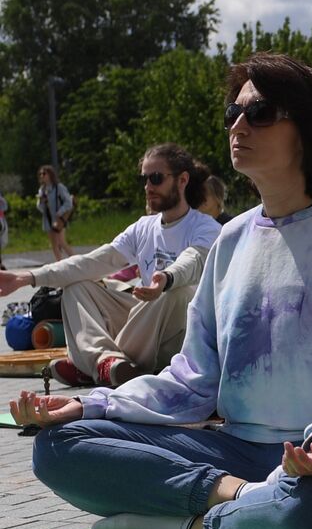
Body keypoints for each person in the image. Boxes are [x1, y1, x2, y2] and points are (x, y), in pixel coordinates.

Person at [15, 53, 312, 529]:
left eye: (260, 113)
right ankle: (244, 503)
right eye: (234, 112)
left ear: (309, 130)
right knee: (59, 447)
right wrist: (91, 404)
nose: (239, 125)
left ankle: (185, 526)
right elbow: (191, 380)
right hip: (240, 456)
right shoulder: (230, 240)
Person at [0, 144, 223, 387]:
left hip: (180, 333)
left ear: (182, 180)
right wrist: (28, 277)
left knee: (178, 293)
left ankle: (91, 365)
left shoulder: (206, 227)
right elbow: (94, 261)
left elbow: (194, 259)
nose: (148, 187)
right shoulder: (143, 227)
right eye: (145, 179)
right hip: (143, 322)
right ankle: (107, 364)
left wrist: (167, 278)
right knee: (76, 288)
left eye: (156, 178)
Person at [36, 165, 75, 261]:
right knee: (54, 244)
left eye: (44, 173)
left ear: (50, 174)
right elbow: (40, 208)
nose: (41, 176)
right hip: (48, 219)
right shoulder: (42, 190)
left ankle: (78, 261)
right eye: (40, 174)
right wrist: (41, 202)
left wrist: (59, 212)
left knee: (61, 242)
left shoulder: (59, 187)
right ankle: (59, 264)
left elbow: (68, 202)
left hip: (59, 219)